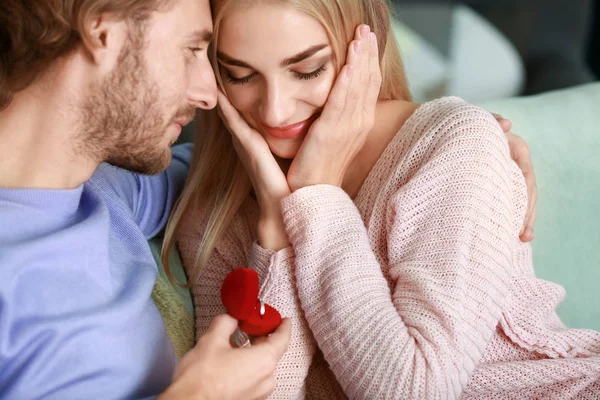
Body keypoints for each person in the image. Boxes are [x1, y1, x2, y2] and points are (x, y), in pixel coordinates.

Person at [166, 0, 600, 398]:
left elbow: (413, 391)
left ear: (367, 42)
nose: (275, 111)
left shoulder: (452, 145)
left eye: (308, 69)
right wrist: (275, 235)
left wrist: (317, 196)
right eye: (240, 75)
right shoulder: (210, 212)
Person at [0, 0, 292, 398]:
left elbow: (229, 174)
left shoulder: (104, 189)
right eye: (191, 50)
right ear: (103, 34)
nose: (209, 93)